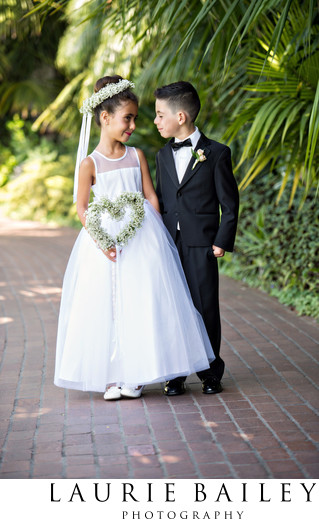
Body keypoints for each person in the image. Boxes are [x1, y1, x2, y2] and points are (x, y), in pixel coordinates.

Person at [54, 75, 215, 400]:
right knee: (108, 305)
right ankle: (112, 376)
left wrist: (159, 240)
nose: (132, 125)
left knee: (143, 302)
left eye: (134, 118)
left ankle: (138, 374)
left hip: (142, 238)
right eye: (127, 118)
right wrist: (101, 240)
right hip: (105, 243)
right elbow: (82, 207)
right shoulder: (90, 164)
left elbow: (151, 197)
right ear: (105, 117)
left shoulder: (136, 155)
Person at [154, 81, 239, 396]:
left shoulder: (216, 153)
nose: (156, 121)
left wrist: (221, 239)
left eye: (160, 115)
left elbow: (229, 203)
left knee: (205, 307)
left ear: (180, 116)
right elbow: (161, 199)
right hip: (167, 244)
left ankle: (210, 371)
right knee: (171, 306)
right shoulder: (163, 155)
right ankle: (174, 374)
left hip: (201, 244)